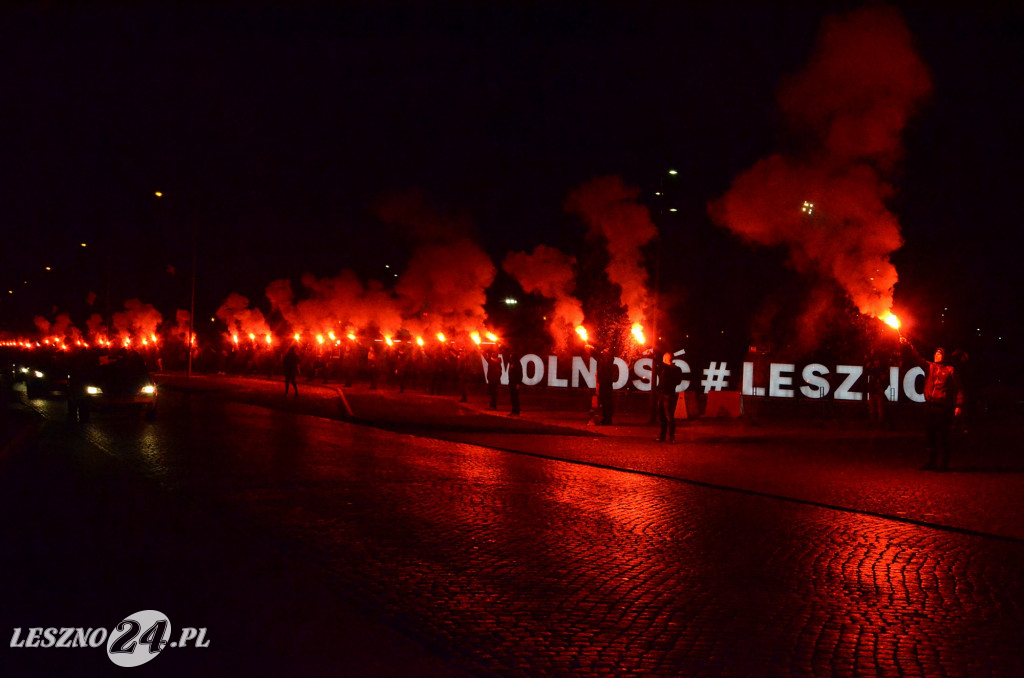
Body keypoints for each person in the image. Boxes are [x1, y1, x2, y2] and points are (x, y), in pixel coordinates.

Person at [903, 338, 963, 471]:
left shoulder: (950, 370)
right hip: (930, 406)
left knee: (943, 436)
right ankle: (932, 462)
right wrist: (908, 345)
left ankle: (944, 464)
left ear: (944, 356)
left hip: (943, 408)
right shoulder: (929, 367)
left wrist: (958, 405)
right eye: (935, 353)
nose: (936, 356)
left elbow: (959, 389)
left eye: (939, 354)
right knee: (930, 436)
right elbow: (916, 357)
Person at [654, 352, 685, 443]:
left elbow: (676, 380)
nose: (663, 360)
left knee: (669, 417)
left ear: (667, 359)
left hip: (668, 395)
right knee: (662, 416)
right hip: (662, 394)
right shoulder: (667, 369)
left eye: (664, 358)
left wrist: (652, 356)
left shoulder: (674, 369)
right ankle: (662, 436)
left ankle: (672, 437)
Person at [595, 348, 615, 425]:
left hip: (606, 384)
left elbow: (604, 372)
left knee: (607, 402)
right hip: (604, 384)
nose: (603, 353)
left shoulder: (608, 361)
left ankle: (607, 419)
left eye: (605, 352)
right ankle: (605, 418)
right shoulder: (604, 361)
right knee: (603, 402)